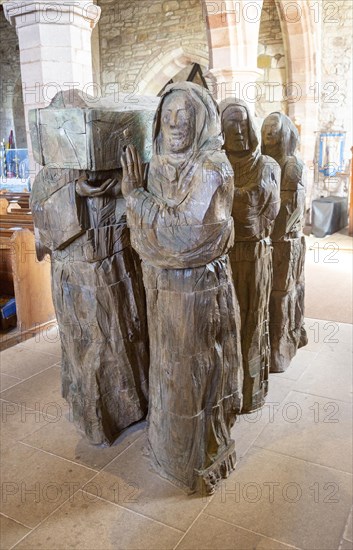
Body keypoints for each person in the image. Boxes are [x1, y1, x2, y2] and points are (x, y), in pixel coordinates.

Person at [121, 82, 243, 494]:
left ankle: (195, 459)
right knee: (169, 371)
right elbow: (147, 240)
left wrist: (136, 199)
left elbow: (187, 235)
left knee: (196, 374)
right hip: (162, 289)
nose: (174, 126)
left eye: (184, 118)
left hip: (197, 291)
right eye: (168, 117)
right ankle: (169, 450)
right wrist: (153, 233)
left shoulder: (212, 168)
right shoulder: (157, 167)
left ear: (200, 121)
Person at [31, 91, 149, 445]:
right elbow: (45, 227)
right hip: (75, 274)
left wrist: (121, 190)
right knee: (88, 345)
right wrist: (75, 191)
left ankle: (129, 405)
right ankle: (95, 413)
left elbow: (140, 211)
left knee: (123, 337)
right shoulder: (49, 177)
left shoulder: (118, 168)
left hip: (117, 270)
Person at [220, 98, 281, 412]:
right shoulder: (216, 166)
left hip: (255, 254)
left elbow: (264, 209)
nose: (240, 133)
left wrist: (234, 202)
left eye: (244, 125)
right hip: (224, 256)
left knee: (254, 320)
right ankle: (230, 392)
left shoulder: (267, 165)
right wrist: (243, 202)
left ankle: (252, 390)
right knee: (227, 322)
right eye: (231, 126)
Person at [262, 112, 308, 372]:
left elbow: (289, 211)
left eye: (275, 128)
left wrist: (265, 232)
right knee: (274, 296)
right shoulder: (266, 162)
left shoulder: (291, 165)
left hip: (284, 243)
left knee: (282, 295)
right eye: (266, 128)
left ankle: (281, 348)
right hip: (269, 241)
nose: (269, 133)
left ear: (286, 132)